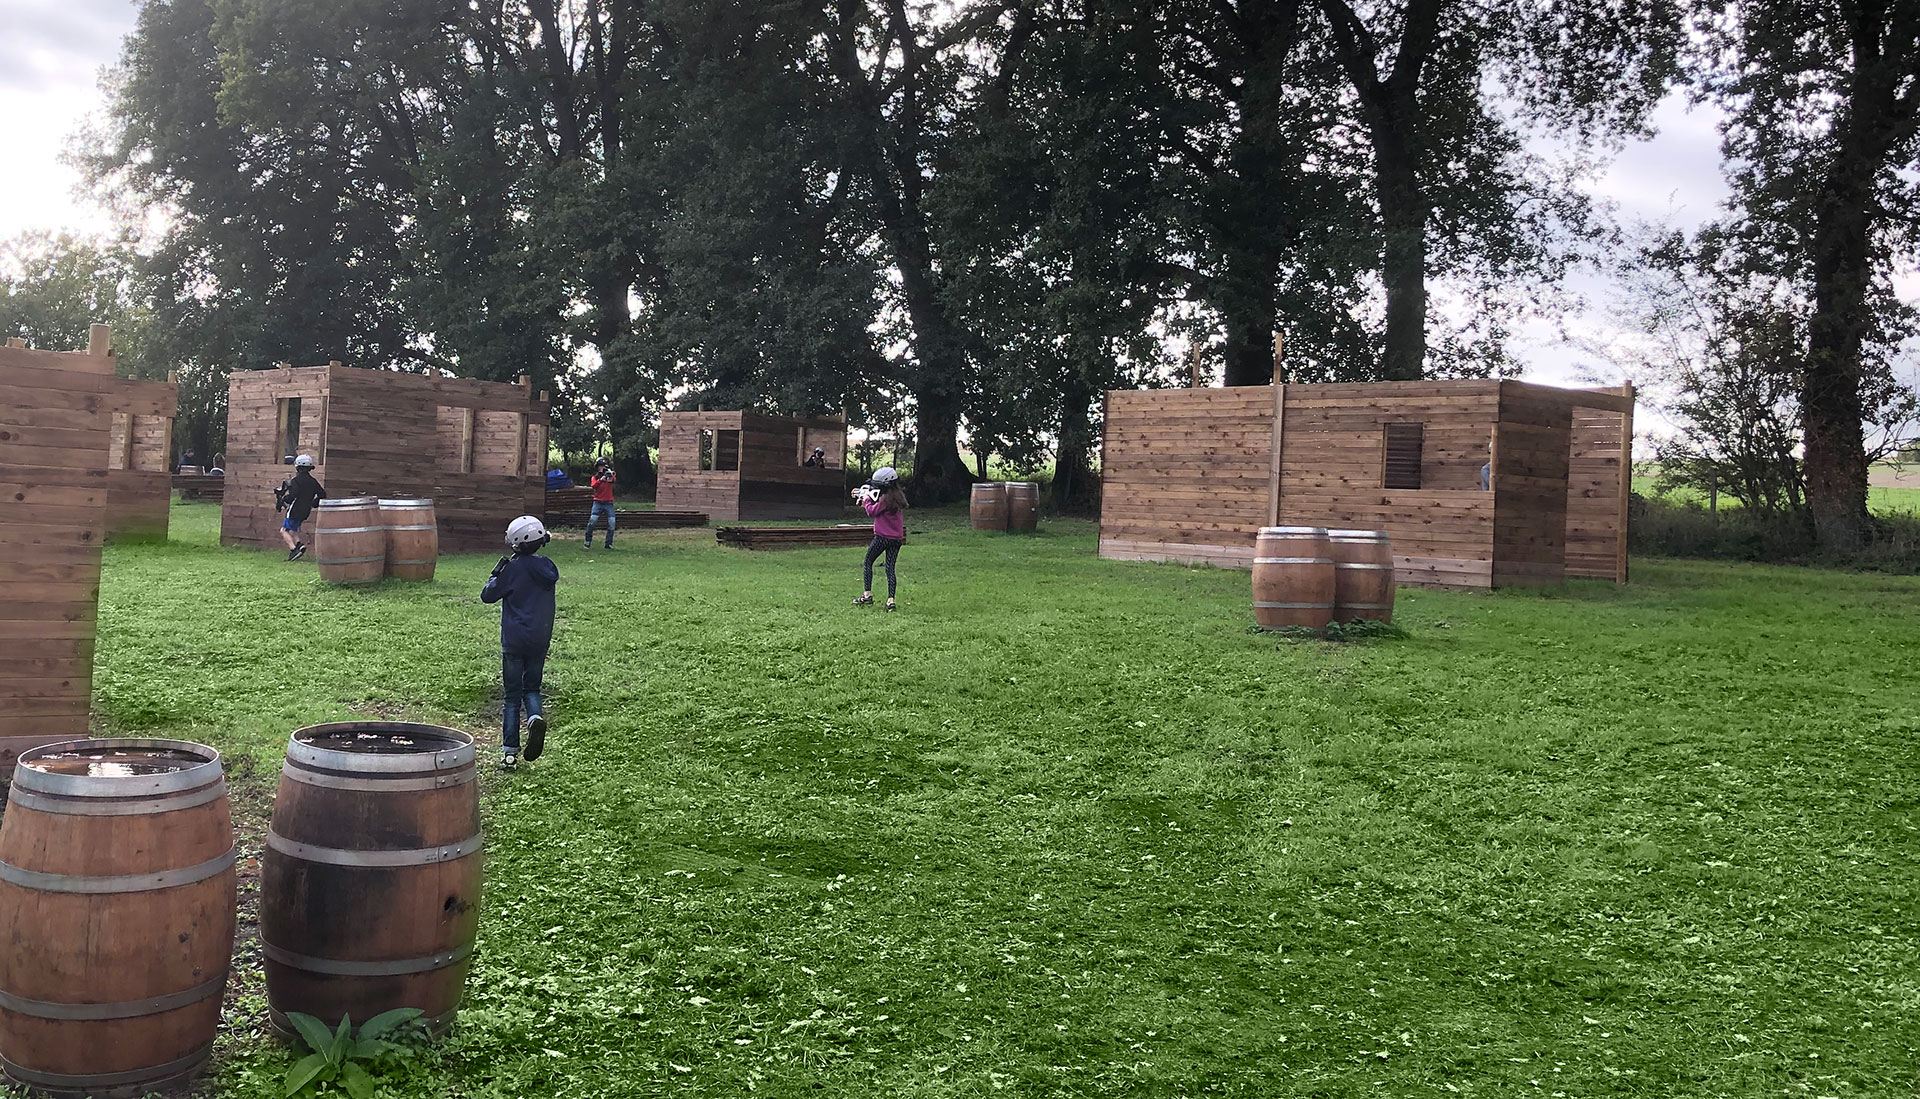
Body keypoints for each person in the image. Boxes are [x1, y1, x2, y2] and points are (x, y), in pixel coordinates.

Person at [482, 516, 559, 769]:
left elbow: (488, 595)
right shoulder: (547, 567)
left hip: (514, 642)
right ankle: (535, 717)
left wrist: (496, 572)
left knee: (512, 696)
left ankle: (509, 754)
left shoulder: (511, 569)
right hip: (540, 639)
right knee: (532, 689)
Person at [852, 466, 907, 611]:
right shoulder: (897, 498)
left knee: (868, 562)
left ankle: (867, 595)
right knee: (890, 568)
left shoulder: (884, 499)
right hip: (897, 539)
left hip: (882, 537)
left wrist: (866, 500)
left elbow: (871, 512)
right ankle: (891, 601)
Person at [274, 454, 326, 561]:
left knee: (284, 530)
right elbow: (322, 494)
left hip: (295, 509)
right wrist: (313, 503)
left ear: (298, 467)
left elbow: (293, 495)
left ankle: (293, 550)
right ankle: (299, 546)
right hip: (306, 510)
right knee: (294, 530)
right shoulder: (313, 481)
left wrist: (284, 499)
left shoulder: (296, 480)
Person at [584, 457, 616, 549]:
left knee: (612, 522)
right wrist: (601, 479)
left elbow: (613, 480)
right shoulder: (595, 477)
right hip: (598, 502)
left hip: (608, 502)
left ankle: (608, 543)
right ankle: (587, 540)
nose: (602, 468)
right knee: (592, 521)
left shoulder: (609, 476)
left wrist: (609, 475)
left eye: (604, 466)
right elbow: (594, 486)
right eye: (601, 466)